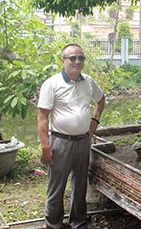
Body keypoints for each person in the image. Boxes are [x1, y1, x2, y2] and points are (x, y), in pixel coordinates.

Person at [37, 43, 105, 229]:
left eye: (80, 58)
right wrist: (45, 148)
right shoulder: (52, 84)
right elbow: (42, 117)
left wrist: (95, 121)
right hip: (60, 142)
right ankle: (53, 225)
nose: (77, 61)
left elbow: (101, 99)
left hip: (83, 141)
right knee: (56, 188)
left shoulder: (88, 82)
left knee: (80, 184)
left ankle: (78, 222)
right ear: (63, 61)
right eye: (72, 58)